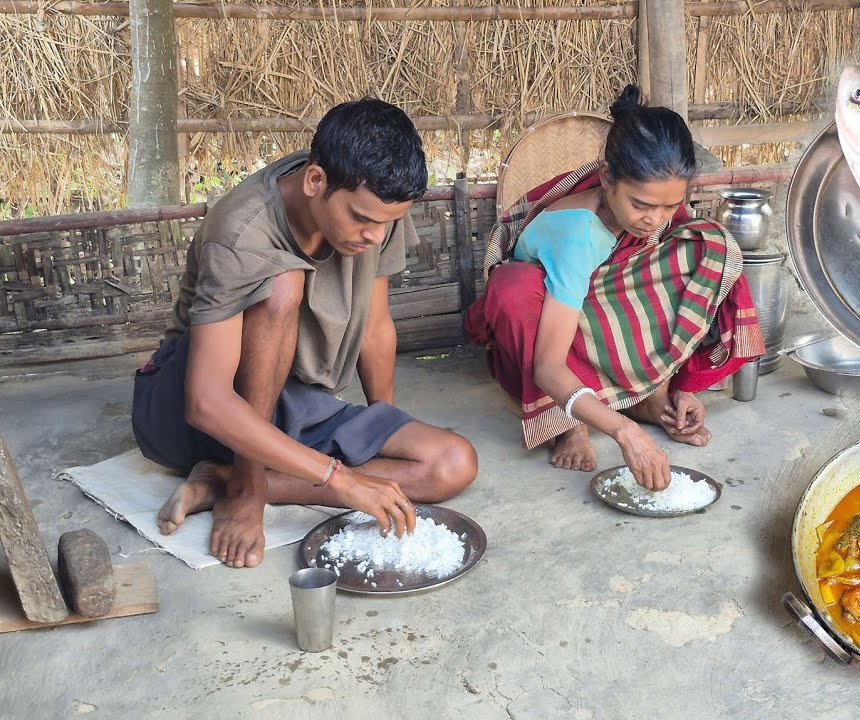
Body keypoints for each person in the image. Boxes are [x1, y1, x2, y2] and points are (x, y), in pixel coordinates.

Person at [132, 98, 478, 569]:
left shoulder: (377, 208)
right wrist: (340, 478)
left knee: (451, 463)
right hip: (184, 412)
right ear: (315, 181)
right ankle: (246, 487)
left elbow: (376, 329)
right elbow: (205, 402)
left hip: (291, 399)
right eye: (362, 219)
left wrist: (382, 429)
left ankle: (224, 481)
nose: (375, 236)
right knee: (282, 285)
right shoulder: (243, 231)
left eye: (388, 222)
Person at [464, 85, 764, 491]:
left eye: (669, 205)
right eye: (642, 204)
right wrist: (625, 433)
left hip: (597, 302)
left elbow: (655, 281)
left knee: (710, 245)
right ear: (606, 178)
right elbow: (548, 367)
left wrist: (676, 385)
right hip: (551, 318)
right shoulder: (578, 237)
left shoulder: (650, 209)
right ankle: (568, 422)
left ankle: (651, 394)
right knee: (513, 290)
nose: (656, 219)